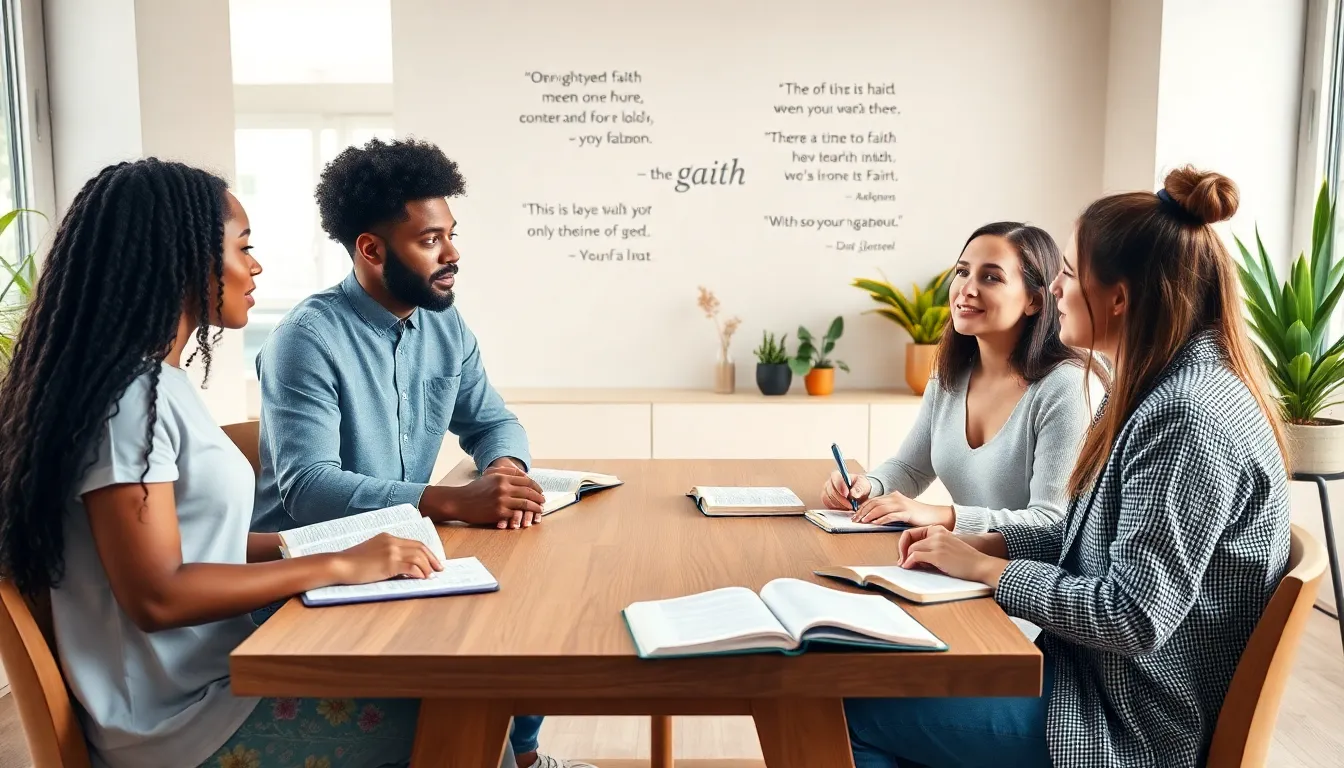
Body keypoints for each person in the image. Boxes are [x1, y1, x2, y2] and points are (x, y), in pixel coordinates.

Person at [0, 158, 506, 768]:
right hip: (183, 723)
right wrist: (339, 563)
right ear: (181, 260)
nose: (256, 266)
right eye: (243, 248)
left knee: (464, 696)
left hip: (219, 679)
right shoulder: (128, 405)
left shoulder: (160, 385)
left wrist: (327, 544)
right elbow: (157, 595)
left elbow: (193, 543)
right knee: (464, 714)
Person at [842, 166, 1292, 768]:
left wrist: (987, 570)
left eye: (1070, 275)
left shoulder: (1188, 416)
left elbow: (1132, 614)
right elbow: (1083, 535)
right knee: (873, 680)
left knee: (852, 708)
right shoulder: (1155, 387)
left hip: (1124, 719)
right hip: (1092, 679)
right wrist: (985, 542)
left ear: (1120, 297)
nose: (1057, 291)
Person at [250, 138, 586, 768]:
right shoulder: (308, 337)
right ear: (371, 250)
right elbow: (308, 487)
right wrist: (451, 500)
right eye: (431, 239)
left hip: (400, 554)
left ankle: (524, 757)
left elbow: (492, 421)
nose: (452, 253)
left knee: (530, 602)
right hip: (314, 577)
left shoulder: (444, 323)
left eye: (451, 235)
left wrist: (505, 475)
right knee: (493, 634)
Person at [820, 222, 1093, 533]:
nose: (967, 290)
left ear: (1035, 301)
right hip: (960, 564)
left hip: (1022, 576)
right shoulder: (949, 375)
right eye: (962, 272)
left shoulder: (1065, 387)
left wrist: (944, 516)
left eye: (991, 277)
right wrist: (868, 485)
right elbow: (911, 468)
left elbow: (1051, 522)